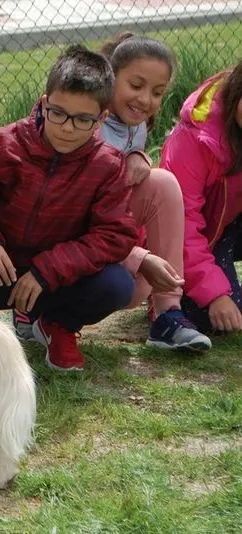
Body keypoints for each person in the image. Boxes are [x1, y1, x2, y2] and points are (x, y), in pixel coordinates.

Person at [0, 45, 139, 371]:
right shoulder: (0, 144)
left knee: (118, 285)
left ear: (102, 118)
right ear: (45, 102)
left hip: (53, 280)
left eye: (82, 120)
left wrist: (47, 270)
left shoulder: (108, 165)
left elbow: (113, 234)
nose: (66, 127)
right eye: (59, 113)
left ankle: (57, 324)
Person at [88, 33, 210, 351]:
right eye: (136, 85)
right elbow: (74, 210)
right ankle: (37, 313)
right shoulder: (85, 122)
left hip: (112, 233)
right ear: (111, 78)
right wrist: (138, 257)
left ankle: (168, 314)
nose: (145, 100)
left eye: (157, 92)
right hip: (71, 238)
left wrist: (138, 155)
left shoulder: (135, 125)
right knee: (125, 286)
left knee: (164, 182)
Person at [159, 58, 242, 334]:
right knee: (214, 317)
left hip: (227, 226)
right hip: (194, 236)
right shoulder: (194, 138)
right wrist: (215, 294)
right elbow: (181, 225)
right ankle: (164, 298)